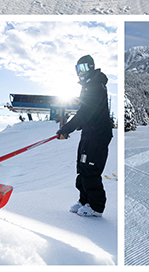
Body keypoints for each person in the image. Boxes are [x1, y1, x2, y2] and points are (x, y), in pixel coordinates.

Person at [56, 55, 112, 217]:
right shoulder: (88, 86)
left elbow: (86, 112)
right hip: (89, 133)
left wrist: (68, 128)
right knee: (82, 168)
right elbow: (87, 114)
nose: (80, 73)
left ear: (91, 67)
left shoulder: (95, 85)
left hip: (98, 135)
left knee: (91, 170)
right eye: (78, 69)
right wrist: (72, 128)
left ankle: (96, 207)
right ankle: (84, 200)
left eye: (84, 68)